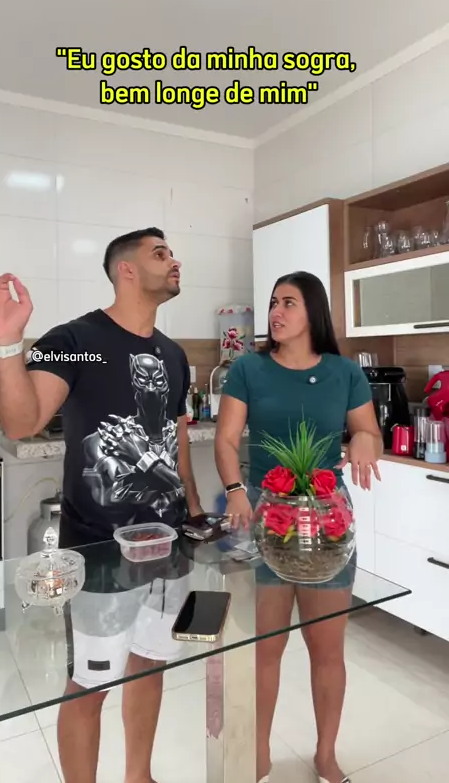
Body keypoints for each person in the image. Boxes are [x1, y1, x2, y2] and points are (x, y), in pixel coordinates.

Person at [0, 228, 204, 783]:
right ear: (126, 270)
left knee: (151, 664)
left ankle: (139, 776)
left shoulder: (173, 354)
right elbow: (23, 421)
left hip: (170, 548)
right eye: (160, 253)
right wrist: (5, 342)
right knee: (90, 684)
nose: (174, 261)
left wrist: (195, 517)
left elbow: (176, 446)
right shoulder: (78, 341)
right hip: (99, 554)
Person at [214, 271, 383, 783]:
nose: (275, 312)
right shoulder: (249, 368)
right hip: (265, 514)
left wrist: (364, 442)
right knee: (265, 649)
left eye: (288, 302)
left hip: (327, 517)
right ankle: (260, 754)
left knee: (327, 649)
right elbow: (227, 439)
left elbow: (367, 431)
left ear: (314, 312)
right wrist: (236, 489)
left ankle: (326, 754)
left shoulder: (345, 373)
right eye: (273, 302)